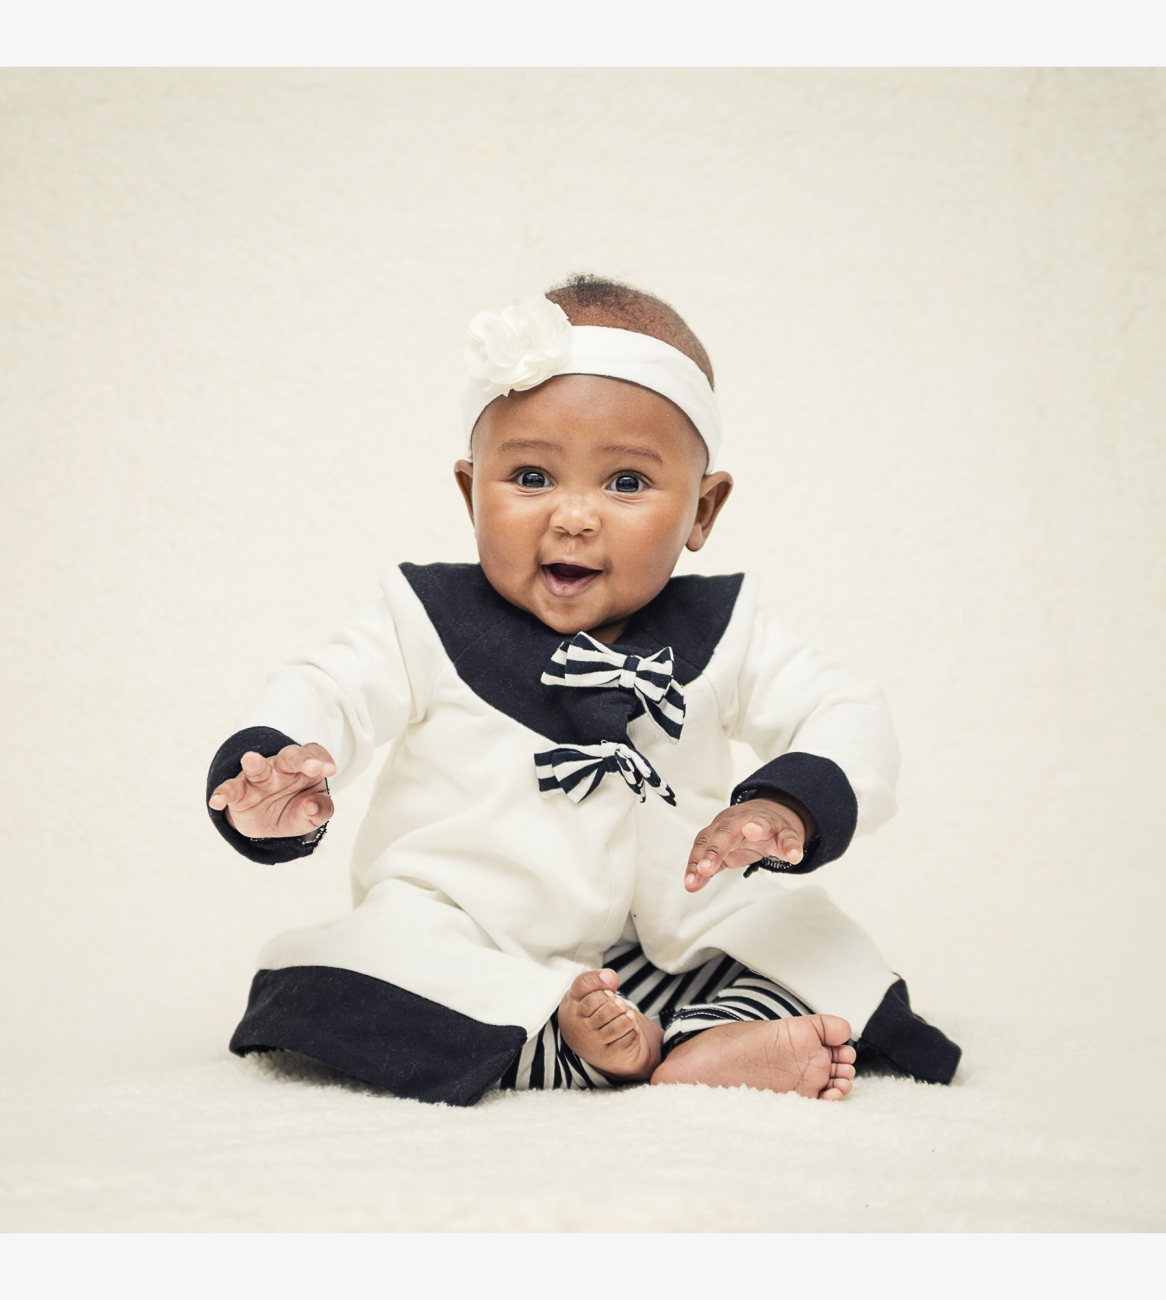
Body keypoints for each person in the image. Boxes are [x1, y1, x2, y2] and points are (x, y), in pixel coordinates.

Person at [206, 275, 961, 1106]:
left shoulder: (728, 629)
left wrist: (788, 803)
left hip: (668, 943)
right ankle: (574, 1032)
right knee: (345, 973)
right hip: (469, 934)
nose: (573, 517)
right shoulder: (422, 618)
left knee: (816, 949)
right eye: (530, 477)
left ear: (703, 511)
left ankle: (687, 1037)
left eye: (627, 484)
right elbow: (327, 687)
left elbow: (843, 710)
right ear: (470, 492)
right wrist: (274, 766)